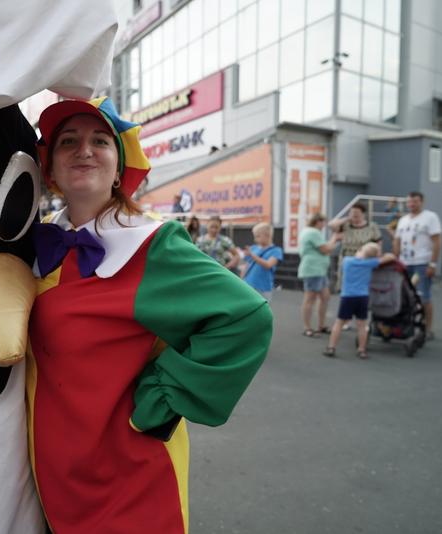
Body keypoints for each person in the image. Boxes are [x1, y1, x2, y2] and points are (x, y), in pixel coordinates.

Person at [29, 97, 272, 533]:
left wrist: (162, 397)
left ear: (119, 169)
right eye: (68, 141)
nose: (84, 150)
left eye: (100, 141)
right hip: (53, 476)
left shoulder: (150, 245)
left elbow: (245, 317)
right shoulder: (36, 245)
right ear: (50, 171)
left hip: (130, 478)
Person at [323, 243, 396, 359]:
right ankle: (361, 350)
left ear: (360, 250)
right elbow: (391, 257)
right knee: (362, 325)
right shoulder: (370, 263)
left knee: (339, 323)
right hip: (362, 297)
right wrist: (379, 255)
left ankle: (331, 347)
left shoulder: (347, 261)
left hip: (347, 296)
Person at [393, 191, 442, 339]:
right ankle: (404, 325)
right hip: (404, 263)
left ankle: (427, 329)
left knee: (424, 296)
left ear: (421, 202)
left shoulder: (430, 217)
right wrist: (395, 260)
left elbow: (437, 241)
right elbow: (397, 241)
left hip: (422, 263)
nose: (411, 204)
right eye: (409, 202)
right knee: (403, 296)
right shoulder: (403, 220)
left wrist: (432, 264)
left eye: (415, 201)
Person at [297, 213, 341, 337]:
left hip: (319, 270)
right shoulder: (313, 232)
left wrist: (333, 240)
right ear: (318, 222)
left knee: (325, 297)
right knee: (310, 298)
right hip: (313, 270)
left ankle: (321, 325)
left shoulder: (309, 231)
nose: (324, 225)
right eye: (323, 222)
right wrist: (335, 238)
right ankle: (307, 327)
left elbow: (324, 247)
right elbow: (326, 249)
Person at [329, 202, 381, 291]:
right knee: (346, 283)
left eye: (357, 213)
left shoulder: (372, 226)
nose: (354, 215)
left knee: (362, 284)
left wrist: (378, 256)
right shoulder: (346, 225)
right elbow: (331, 225)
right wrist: (347, 218)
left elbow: (378, 242)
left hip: (364, 258)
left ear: (363, 214)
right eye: (352, 212)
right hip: (347, 258)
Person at [240, 222, 284, 302]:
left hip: (263, 287)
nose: (255, 239)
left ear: (267, 235)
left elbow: (268, 265)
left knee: (262, 307)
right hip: (248, 284)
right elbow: (246, 265)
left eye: (258, 236)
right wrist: (241, 280)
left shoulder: (276, 250)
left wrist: (252, 255)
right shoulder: (254, 248)